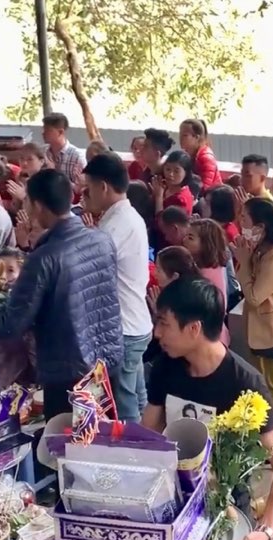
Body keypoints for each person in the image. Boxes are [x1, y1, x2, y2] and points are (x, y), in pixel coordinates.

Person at [141, 277, 273, 540]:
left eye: (164, 323)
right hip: (175, 507)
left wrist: (265, 531)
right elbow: (149, 435)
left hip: (226, 515)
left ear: (194, 329)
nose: (156, 332)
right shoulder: (165, 367)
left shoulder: (245, 384)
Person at [0, 169, 123, 421]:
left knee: (68, 447)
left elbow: (11, 324)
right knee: (99, 442)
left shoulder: (44, 258)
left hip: (70, 370)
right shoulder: (102, 240)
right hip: (106, 362)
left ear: (36, 205)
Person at [83, 154, 152, 422]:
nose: (84, 194)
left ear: (103, 187)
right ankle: (150, 439)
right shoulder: (125, 216)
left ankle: (135, 454)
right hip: (134, 322)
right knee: (137, 395)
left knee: (125, 405)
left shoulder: (116, 224)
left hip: (124, 328)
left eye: (88, 187)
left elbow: (89, 270)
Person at [235, 198, 273, 433]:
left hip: (271, 329)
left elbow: (254, 296)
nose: (240, 222)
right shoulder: (262, 249)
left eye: (244, 218)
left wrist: (242, 262)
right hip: (259, 327)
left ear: (260, 227)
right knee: (265, 379)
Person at [183, 218, 230, 345]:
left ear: (206, 244)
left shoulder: (205, 275)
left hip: (209, 340)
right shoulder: (209, 267)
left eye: (191, 237)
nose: (184, 240)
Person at [42, 112, 85, 186]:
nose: (43, 133)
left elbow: (82, 188)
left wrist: (55, 173)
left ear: (60, 132)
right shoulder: (42, 153)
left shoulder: (76, 157)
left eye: (48, 130)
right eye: (43, 129)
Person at [179, 119, 222, 190]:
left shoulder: (206, 157)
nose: (180, 138)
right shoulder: (187, 155)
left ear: (196, 137)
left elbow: (204, 188)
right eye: (180, 134)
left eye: (184, 135)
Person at [152, 150, 195, 216]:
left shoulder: (181, 200)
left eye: (176, 171)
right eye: (168, 169)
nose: (170, 174)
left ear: (186, 173)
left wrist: (159, 197)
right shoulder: (165, 187)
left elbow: (162, 223)